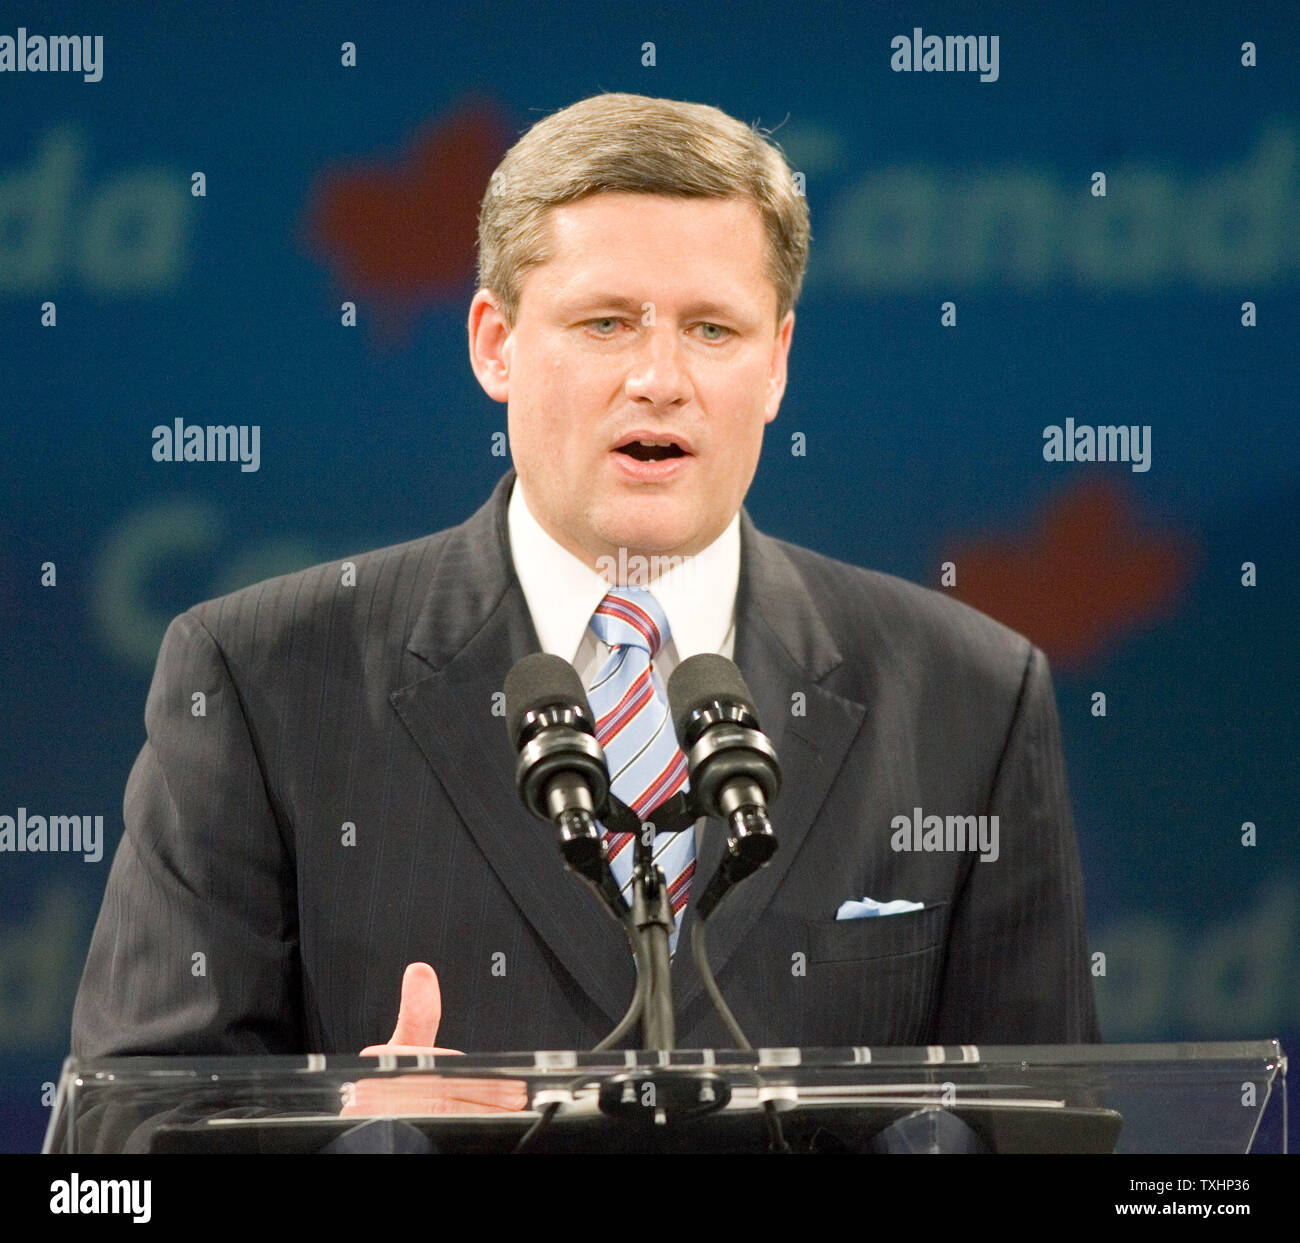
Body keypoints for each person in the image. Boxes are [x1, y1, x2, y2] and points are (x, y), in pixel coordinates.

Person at [71, 93, 1100, 1071]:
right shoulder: (262, 682)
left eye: (712, 329)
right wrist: (348, 1133)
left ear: (778, 362)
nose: (659, 377)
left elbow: (1043, 1119)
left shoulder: (970, 696)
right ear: (494, 345)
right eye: (606, 323)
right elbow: (129, 1136)